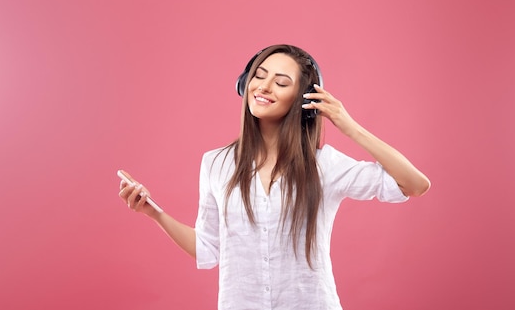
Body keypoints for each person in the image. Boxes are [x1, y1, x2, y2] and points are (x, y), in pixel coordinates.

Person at [118, 44, 430, 310]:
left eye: (281, 83)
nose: (264, 87)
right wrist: (153, 212)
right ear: (245, 83)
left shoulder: (325, 166)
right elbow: (207, 249)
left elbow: (414, 184)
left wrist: (348, 126)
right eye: (259, 75)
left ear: (303, 100)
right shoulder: (216, 163)